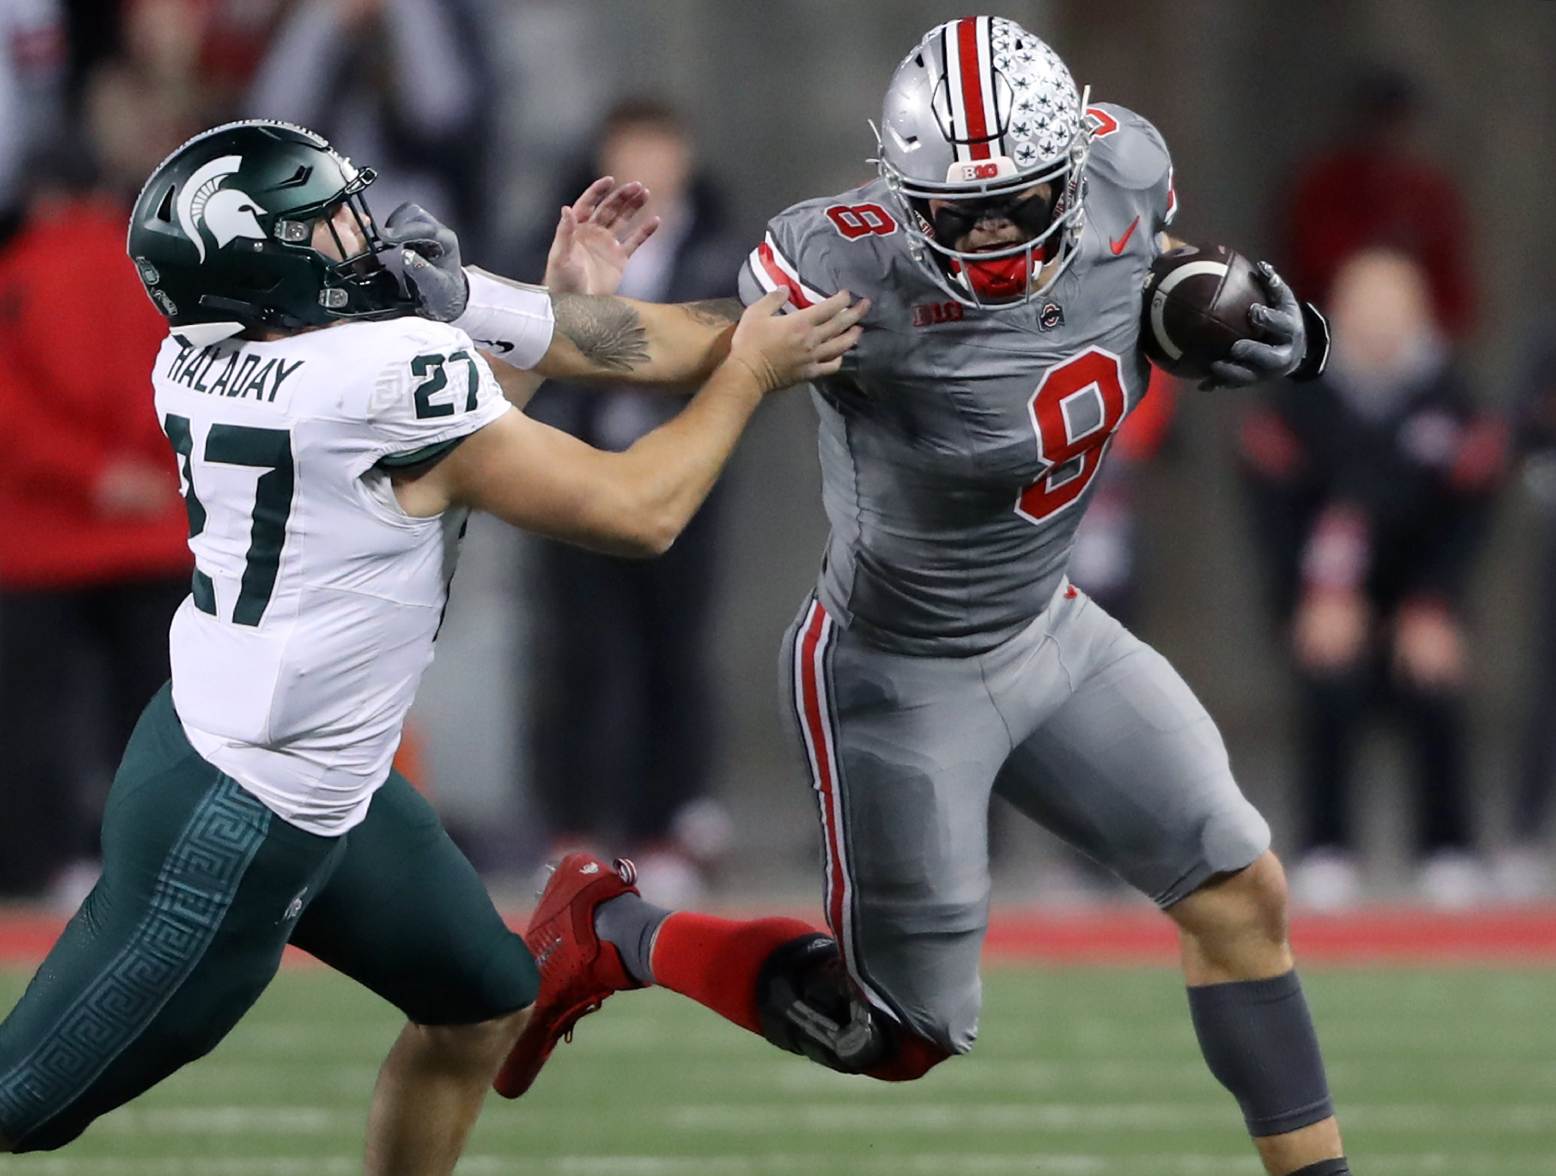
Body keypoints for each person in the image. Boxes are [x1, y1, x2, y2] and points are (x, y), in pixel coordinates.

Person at [424, 18, 1350, 1176]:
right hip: (895, 673)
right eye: (961, 213)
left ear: (1072, 165)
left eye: (1019, 200)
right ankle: (613, 931)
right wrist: (501, 307)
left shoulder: (1125, 166)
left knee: (1236, 889)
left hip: (1047, 631)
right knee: (893, 1035)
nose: (994, 234)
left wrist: (1272, 327)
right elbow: (681, 342)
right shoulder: (854, 268)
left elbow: (1151, 274)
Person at [0, 118, 862, 1167]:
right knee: (17, 1107)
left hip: (288, 769)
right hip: (239, 821)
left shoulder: (199, 350)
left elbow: (445, 457)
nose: (361, 237)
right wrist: (749, 376)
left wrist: (561, 310)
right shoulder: (377, 368)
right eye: (323, 225)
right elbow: (639, 509)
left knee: (482, 1003)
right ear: (257, 260)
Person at [522, 97, 747, 902]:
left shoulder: (729, 253)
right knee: (575, 654)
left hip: (675, 476)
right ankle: (574, 824)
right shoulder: (558, 242)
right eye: (630, 147)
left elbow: (725, 350)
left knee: (670, 655)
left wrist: (602, 341)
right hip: (572, 471)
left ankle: (666, 824)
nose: (647, 165)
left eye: (658, 146)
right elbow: (526, 343)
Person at [1239, 249, 1503, 910]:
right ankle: (1326, 845)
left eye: (1396, 304)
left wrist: (1434, 602)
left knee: (1433, 689)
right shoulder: (1302, 392)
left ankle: (1448, 846)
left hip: (1419, 592)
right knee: (1331, 685)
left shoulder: (1449, 396)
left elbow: (1468, 513)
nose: (1381, 321)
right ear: (1340, 309)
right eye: (1367, 303)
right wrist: (1316, 597)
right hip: (1327, 593)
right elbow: (1276, 507)